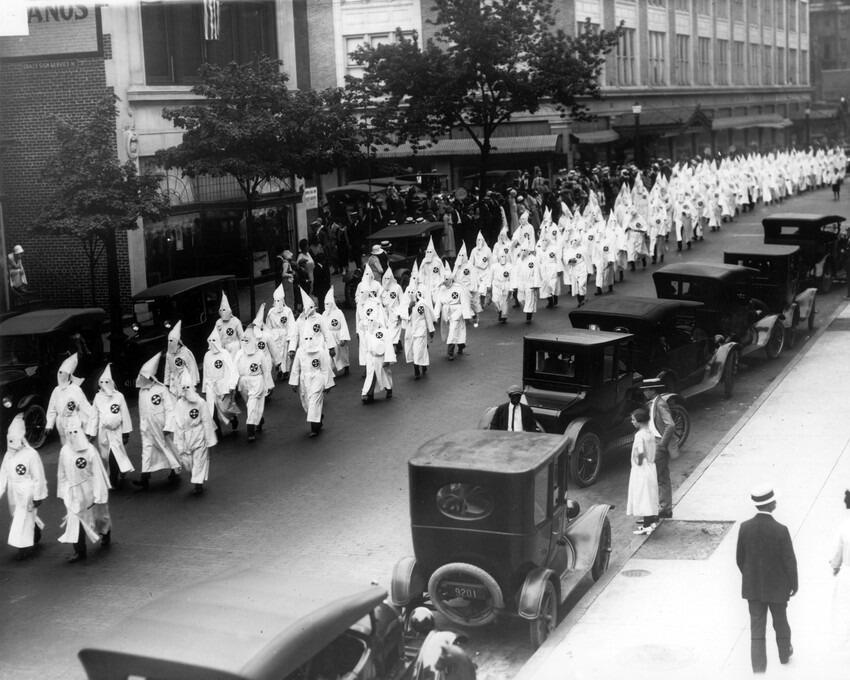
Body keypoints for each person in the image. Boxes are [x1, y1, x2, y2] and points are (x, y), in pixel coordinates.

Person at [736, 485, 798, 673]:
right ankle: (784, 654)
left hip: (753, 588)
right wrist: (793, 584)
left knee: (757, 628)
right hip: (777, 588)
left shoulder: (745, 527)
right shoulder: (781, 530)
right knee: (780, 622)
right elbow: (789, 561)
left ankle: (758, 668)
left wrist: (751, 577)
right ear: (771, 504)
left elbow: (740, 559)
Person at [57, 414, 111, 562]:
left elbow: (98, 473)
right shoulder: (65, 451)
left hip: (89, 489)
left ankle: (105, 532)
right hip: (73, 492)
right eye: (69, 433)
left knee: (99, 517)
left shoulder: (90, 450)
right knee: (75, 520)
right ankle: (80, 551)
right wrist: (63, 491)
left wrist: (99, 495)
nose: (72, 435)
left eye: (75, 432)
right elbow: (61, 473)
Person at [0, 414, 47, 560]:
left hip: (27, 491)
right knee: (18, 515)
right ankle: (36, 532)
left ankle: (24, 547)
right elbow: (3, 474)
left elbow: (38, 476)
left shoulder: (31, 454)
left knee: (22, 519)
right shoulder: (8, 455)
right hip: (13, 491)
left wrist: (38, 496)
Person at [133, 352, 182, 491]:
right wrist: (143, 426)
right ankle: (144, 478)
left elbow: (169, 409)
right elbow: (142, 411)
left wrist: (168, 426)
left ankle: (175, 470)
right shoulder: (142, 392)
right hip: (148, 428)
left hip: (161, 427)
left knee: (168, 449)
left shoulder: (161, 390)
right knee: (147, 452)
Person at [85, 364, 134, 488]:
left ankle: (113, 479)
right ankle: (120, 470)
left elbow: (125, 414)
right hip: (104, 432)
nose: (104, 384)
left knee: (114, 453)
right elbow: (94, 416)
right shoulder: (98, 397)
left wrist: (126, 433)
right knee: (105, 455)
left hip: (116, 431)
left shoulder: (119, 396)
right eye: (102, 382)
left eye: (107, 382)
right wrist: (91, 433)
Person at [172, 370, 218, 496]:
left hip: (198, 434)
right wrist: (178, 441)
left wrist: (209, 440)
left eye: (188, 387)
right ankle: (196, 477)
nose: (186, 390)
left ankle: (198, 484)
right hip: (185, 435)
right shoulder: (179, 404)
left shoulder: (200, 402)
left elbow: (207, 421)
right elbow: (177, 423)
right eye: (183, 388)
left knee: (199, 459)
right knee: (188, 462)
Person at [641, 378, 677, 519]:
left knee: (655, 477)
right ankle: (665, 508)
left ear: (652, 390)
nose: (644, 392)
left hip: (657, 443)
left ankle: (658, 509)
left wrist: (662, 444)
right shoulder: (653, 403)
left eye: (645, 390)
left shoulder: (660, 404)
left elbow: (671, 425)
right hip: (654, 442)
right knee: (662, 477)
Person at [289, 331, 335, 437]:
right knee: (307, 403)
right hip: (304, 379)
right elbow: (296, 367)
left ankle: (314, 428)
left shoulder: (320, 351)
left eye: (311, 338)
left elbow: (325, 368)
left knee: (314, 402)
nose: (308, 341)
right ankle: (318, 418)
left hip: (317, 378)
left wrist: (328, 384)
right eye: (306, 339)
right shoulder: (300, 351)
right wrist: (294, 382)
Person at [45, 353, 92, 446]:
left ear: (69, 375)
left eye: (64, 373)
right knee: (66, 448)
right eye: (60, 372)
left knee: (78, 447)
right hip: (61, 424)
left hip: (74, 423)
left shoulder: (76, 389)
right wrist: (49, 425)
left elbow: (85, 407)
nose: (61, 375)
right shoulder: (56, 390)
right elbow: (51, 409)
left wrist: (89, 427)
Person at [626, 408, 658, 534]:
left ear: (639, 421)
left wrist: (637, 463)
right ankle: (650, 522)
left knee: (643, 496)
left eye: (633, 420)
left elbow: (639, 453)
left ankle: (647, 526)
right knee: (650, 495)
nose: (632, 422)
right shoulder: (650, 433)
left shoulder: (639, 435)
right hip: (651, 466)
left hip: (642, 469)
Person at [202, 331, 240, 436]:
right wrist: (205, 388)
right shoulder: (207, 355)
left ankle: (233, 418)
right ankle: (217, 432)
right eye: (210, 341)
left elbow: (232, 369)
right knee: (212, 409)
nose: (212, 342)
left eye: (214, 340)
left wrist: (232, 384)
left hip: (224, 384)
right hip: (211, 385)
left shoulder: (224, 353)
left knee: (225, 408)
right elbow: (205, 371)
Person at [235, 324, 269, 443]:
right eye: (243, 340)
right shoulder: (239, 354)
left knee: (252, 404)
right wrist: (233, 385)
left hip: (257, 381)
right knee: (249, 404)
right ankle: (259, 419)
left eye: (247, 340)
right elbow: (234, 370)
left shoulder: (259, 354)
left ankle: (250, 429)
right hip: (243, 382)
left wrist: (266, 385)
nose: (245, 342)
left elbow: (265, 371)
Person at [829, 489, 850, 650]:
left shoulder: (845, 525)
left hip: (848, 573)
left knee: (844, 608)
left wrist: (835, 567)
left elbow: (838, 552)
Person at [163, 320, 199, 398]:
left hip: (184, 378)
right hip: (174, 380)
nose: (170, 343)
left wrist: (193, 383)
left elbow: (192, 367)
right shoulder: (169, 354)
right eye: (169, 341)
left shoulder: (185, 352)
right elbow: (167, 369)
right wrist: (166, 383)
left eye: (172, 341)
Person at [322, 288, 351, 376]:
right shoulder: (324, 314)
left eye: (328, 304)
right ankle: (330, 372)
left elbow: (344, 325)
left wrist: (343, 337)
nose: (327, 306)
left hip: (339, 335)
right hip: (330, 337)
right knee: (330, 355)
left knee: (343, 353)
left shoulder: (339, 312)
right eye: (325, 304)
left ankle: (346, 367)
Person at [215, 292, 243, 356]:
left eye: (224, 310)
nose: (223, 312)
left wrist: (242, 350)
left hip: (235, 347)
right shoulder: (218, 322)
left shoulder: (235, 321)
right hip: (223, 348)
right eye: (221, 310)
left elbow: (241, 336)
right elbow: (216, 336)